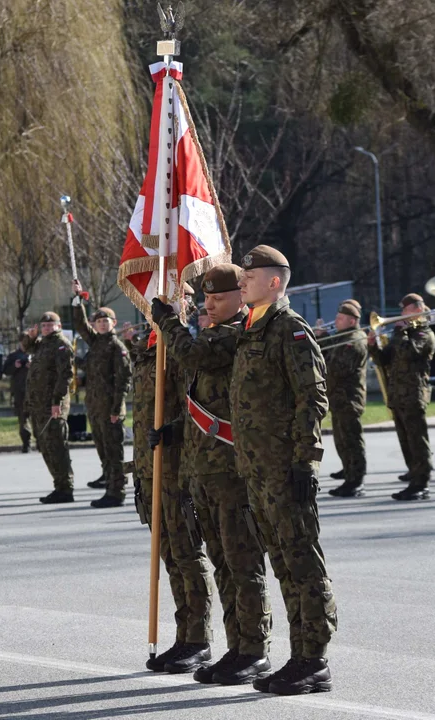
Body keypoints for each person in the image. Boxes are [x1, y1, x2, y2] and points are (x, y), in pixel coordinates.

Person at [153, 264, 273, 686]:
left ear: (241, 296)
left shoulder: (235, 332)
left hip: (232, 471)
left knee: (243, 563)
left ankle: (255, 649)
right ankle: (236, 647)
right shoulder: (214, 331)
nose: (209, 305)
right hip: (205, 469)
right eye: (205, 298)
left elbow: (193, 356)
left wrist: (169, 319)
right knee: (222, 562)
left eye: (218, 297)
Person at [231, 244, 336, 695]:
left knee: (302, 564)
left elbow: (311, 399)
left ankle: (314, 659)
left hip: (285, 470)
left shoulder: (289, 330)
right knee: (281, 563)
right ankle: (298, 656)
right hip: (257, 472)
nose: (242, 283)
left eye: (249, 277)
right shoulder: (252, 330)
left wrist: (305, 462)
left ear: (274, 281)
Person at [132, 286, 217, 676]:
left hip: (177, 467)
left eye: (168, 298)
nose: (157, 306)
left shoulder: (182, 349)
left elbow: (197, 407)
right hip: (150, 470)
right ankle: (184, 636)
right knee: (169, 556)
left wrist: (173, 430)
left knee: (187, 553)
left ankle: (198, 640)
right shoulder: (149, 348)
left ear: (183, 303)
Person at [370, 294, 435, 500]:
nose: (401, 315)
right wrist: (373, 345)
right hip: (398, 395)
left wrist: (401, 331)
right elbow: (384, 359)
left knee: (417, 440)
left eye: (405, 310)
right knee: (405, 439)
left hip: (414, 394)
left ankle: (421, 482)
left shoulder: (424, 333)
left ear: (417, 310)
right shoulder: (404, 333)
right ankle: (413, 475)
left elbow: (411, 353)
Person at [72, 281, 132, 508]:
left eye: (105, 321)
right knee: (103, 450)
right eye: (98, 322)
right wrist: (78, 301)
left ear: (113, 323)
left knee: (113, 451)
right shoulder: (96, 343)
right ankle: (110, 485)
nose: (102, 325)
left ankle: (116, 493)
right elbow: (79, 325)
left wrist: (117, 409)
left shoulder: (116, 347)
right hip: (95, 408)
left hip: (111, 409)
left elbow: (123, 379)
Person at [23, 312, 75, 503]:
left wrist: (57, 402)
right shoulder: (42, 343)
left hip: (53, 405)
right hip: (39, 405)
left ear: (58, 326)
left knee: (57, 445)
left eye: (50, 325)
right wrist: (31, 336)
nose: (46, 328)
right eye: (43, 325)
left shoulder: (61, 345)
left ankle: (65, 488)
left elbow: (65, 376)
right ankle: (59, 485)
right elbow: (25, 347)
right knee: (46, 446)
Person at [324, 300, 369, 498]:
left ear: (352, 321)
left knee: (351, 440)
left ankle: (356, 481)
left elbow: (339, 368)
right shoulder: (343, 337)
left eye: (340, 318)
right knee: (342, 440)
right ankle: (349, 473)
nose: (336, 321)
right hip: (338, 397)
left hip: (349, 398)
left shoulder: (354, 340)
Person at [3, 335, 32, 454]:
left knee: (38, 418)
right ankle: (26, 443)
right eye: (23, 342)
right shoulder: (13, 356)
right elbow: (5, 371)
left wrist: (32, 365)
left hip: (35, 390)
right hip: (20, 391)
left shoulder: (35, 354)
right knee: (23, 418)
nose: (25, 344)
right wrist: (15, 366)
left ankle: (41, 443)